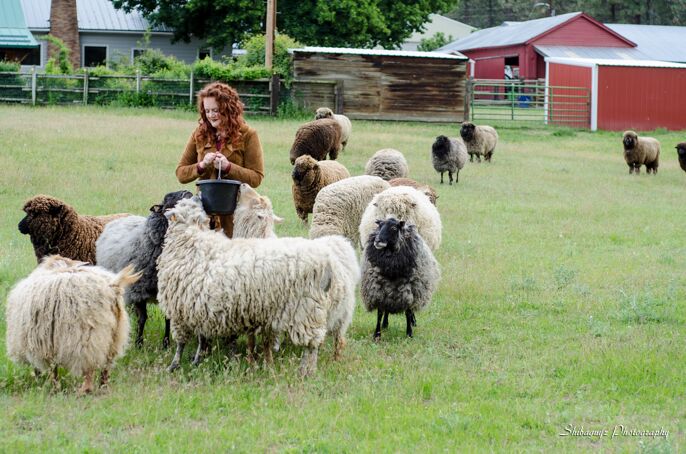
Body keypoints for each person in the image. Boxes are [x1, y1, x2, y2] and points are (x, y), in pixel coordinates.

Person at [176, 82, 265, 237]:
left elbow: (256, 177)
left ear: (228, 109)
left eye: (216, 110)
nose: (211, 115)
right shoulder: (199, 134)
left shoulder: (248, 134)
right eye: (207, 111)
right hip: (204, 214)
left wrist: (228, 167)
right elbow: (181, 174)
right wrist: (202, 165)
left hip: (236, 214)